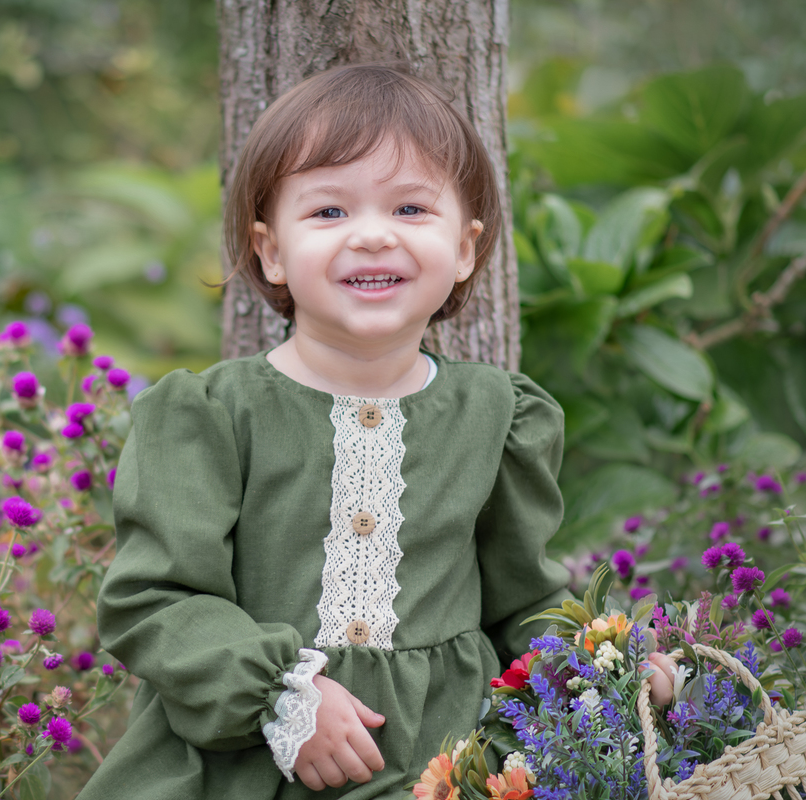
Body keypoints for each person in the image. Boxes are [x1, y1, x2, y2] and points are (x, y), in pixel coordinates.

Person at [77, 63, 673, 800]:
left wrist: (603, 663)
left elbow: (522, 603)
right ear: (270, 250)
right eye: (328, 212)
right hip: (246, 764)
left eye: (411, 209)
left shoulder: (498, 417)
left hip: (444, 765)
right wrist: (283, 695)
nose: (370, 236)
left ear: (465, 248)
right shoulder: (212, 415)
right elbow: (155, 599)